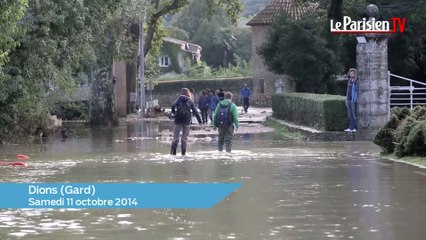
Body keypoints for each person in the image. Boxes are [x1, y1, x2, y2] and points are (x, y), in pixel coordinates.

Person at [171, 88, 202, 155]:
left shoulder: (178, 99)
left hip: (178, 120)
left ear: (181, 93)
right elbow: (195, 112)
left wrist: (173, 113)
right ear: (188, 93)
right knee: (184, 139)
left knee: (175, 138)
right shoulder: (189, 100)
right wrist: (200, 121)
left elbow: (173, 105)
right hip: (186, 121)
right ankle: (183, 154)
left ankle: (173, 154)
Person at [345, 68, 358, 133]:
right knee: (350, 114)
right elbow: (348, 90)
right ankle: (351, 127)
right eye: (350, 73)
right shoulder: (350, 80)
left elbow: (356, 91)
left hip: (354, 100)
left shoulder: (356, 81)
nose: (351, 74)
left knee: (354, 114)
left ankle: (355, 127)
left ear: (355, 74)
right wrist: (346, 98)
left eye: (352, 73)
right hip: (349, 99)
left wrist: (355, 99)